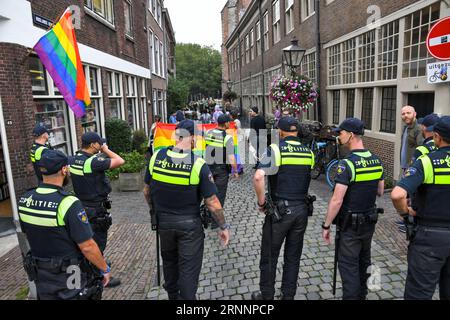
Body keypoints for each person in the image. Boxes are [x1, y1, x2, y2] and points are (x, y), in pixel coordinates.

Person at [143, 120, 230, 300]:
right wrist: (223, 226)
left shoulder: (156, 158)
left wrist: (154, 210)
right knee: (189, 270)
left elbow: (146, 191)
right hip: (189, 227)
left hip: (163, 224)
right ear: (190, 138)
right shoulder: (197, 164)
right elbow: (212, 202)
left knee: (169, 264)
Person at [18, 150, 111, 300]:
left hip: (41, 275)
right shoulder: (68, 203)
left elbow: (28, 233)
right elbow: (87, 246)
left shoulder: (25, 200)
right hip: (69, 274)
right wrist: (104, 268)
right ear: (64, 170)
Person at [251, 117, 314, 300]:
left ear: (280, 132)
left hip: (279, 213)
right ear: (296, 132)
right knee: (293, 257)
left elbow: (258, 177)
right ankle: (288, 295)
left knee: (270, 256)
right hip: (301, 210)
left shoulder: (276, 150)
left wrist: (262, 203)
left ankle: (267, 296)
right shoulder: (308, 153)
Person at [322, 118, 384, 300]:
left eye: (340, 133)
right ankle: (362, 295)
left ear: (351, 135)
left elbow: (337, 200)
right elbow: (380, 191)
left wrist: (326, 226)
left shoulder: (347, 164)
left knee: (348, 268)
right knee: (364, 261)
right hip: (369, 223)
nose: (338, 137)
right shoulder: (376, 160)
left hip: (350, 227)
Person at [391, 116, 450, 300]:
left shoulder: (427, 161)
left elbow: (398, 194)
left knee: (419, 293)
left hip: (429, 238)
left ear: (437, 137)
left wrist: (405, 213)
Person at [68, 132, 125, 288]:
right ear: (93, 145)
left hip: (82, 205)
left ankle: (98, 262)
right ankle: (100, 276)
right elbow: (120, 160)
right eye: (100, 143)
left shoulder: (73, 159)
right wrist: (106, 150)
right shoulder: (93, 162)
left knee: (88, 238)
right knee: (98, 242)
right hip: (96, 209)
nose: (101, 145)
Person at [205, 114, 239, 226]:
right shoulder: (227, 138)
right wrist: (235, 170)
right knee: (220, 194)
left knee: (209, 193)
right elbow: (231, 157)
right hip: (221, 170)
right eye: (229, 122)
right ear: (225, 124)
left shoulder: (208, 133)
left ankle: (208, 216)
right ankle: (216, 222)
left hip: (209, 168)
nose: (230, 123)